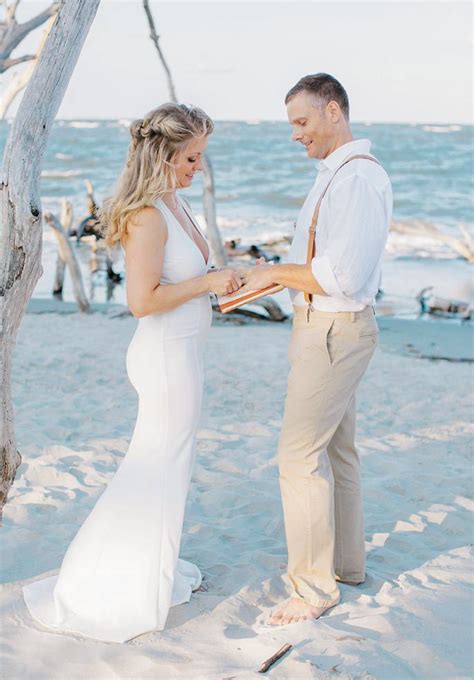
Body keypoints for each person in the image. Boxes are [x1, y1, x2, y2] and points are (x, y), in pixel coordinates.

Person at [22, 103, 242, 643]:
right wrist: (210, 284)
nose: (197, 168)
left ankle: (147, 573)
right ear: (164, 154)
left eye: (201, 157)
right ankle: (113, 584)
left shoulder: (174, 202)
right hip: (165, 357)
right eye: (191, 158)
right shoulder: (147, 215)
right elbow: (143, 301)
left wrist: (222, 281)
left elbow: (183, 277)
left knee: (166, 468)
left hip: (183, 352)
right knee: (154, 470)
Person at [239, 74, 393, 625]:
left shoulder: (354, 180)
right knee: (335, 452)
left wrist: (273, 271)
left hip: (333, 329)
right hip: (328, 326)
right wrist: (268, 279)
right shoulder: (340, 176)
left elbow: (340, 276)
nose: (296, 135)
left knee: (298, 457)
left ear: (334, 111)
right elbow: (322, 265)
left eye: (302, 122)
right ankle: (346, 567)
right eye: (292, 126)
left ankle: (312, 588)